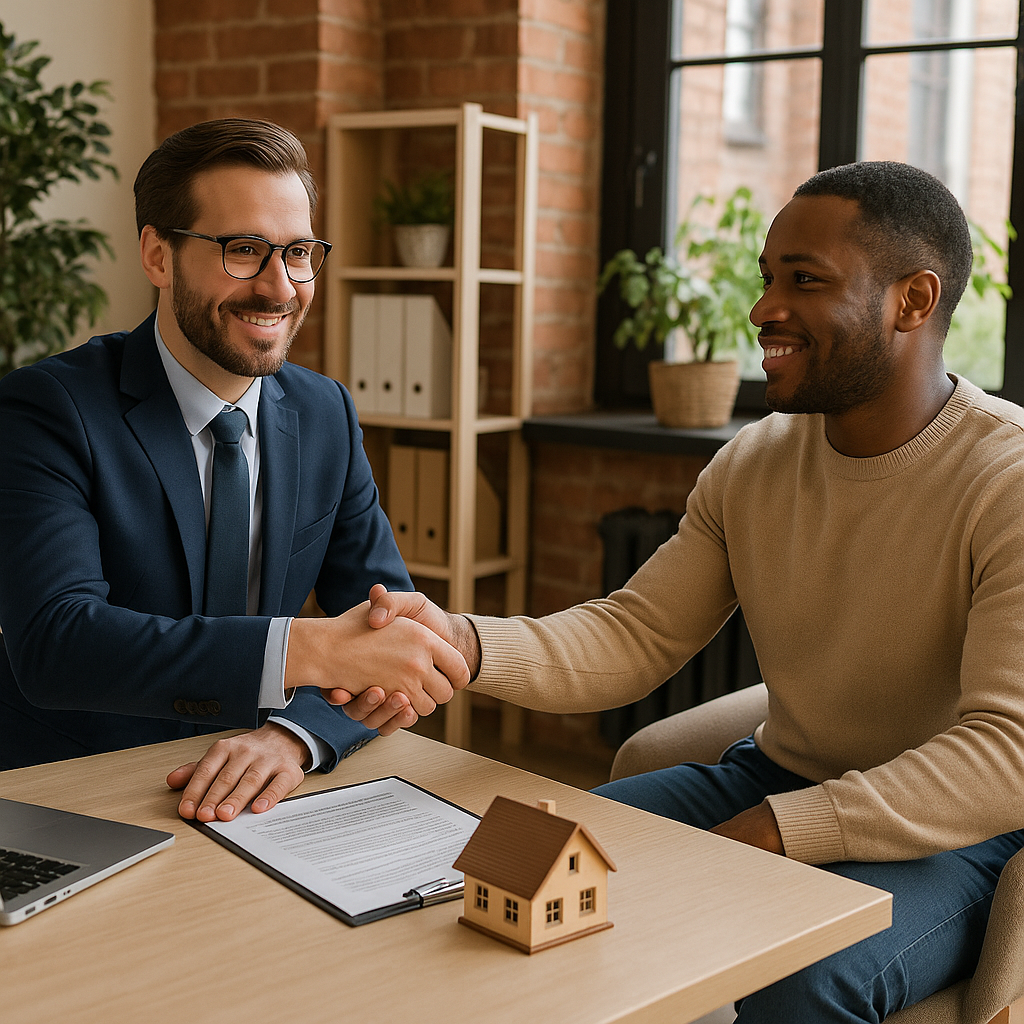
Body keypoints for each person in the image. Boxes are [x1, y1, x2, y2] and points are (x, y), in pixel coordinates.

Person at [348, 162, 1024, 1022]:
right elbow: (634, 634)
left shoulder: (1008, 479)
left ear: (914, 301)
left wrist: (786, 830)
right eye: (768, 278)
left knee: (802, 979)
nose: (764, 309)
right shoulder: (755, 461)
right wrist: (462, 640)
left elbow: (1009, 752)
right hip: (777, 774)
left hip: (955, 836)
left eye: (804, 281)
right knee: (532, 869)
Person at [0, 119, 469, 824]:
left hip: (261, 793)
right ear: (158, 255)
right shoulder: (47, 409)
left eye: (300, 252)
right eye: (243, 250)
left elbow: (386, 634)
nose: (280, 287)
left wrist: (295, 736)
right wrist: (305, 649)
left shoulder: (325, 412)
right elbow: (58, 644)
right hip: (79, 794)